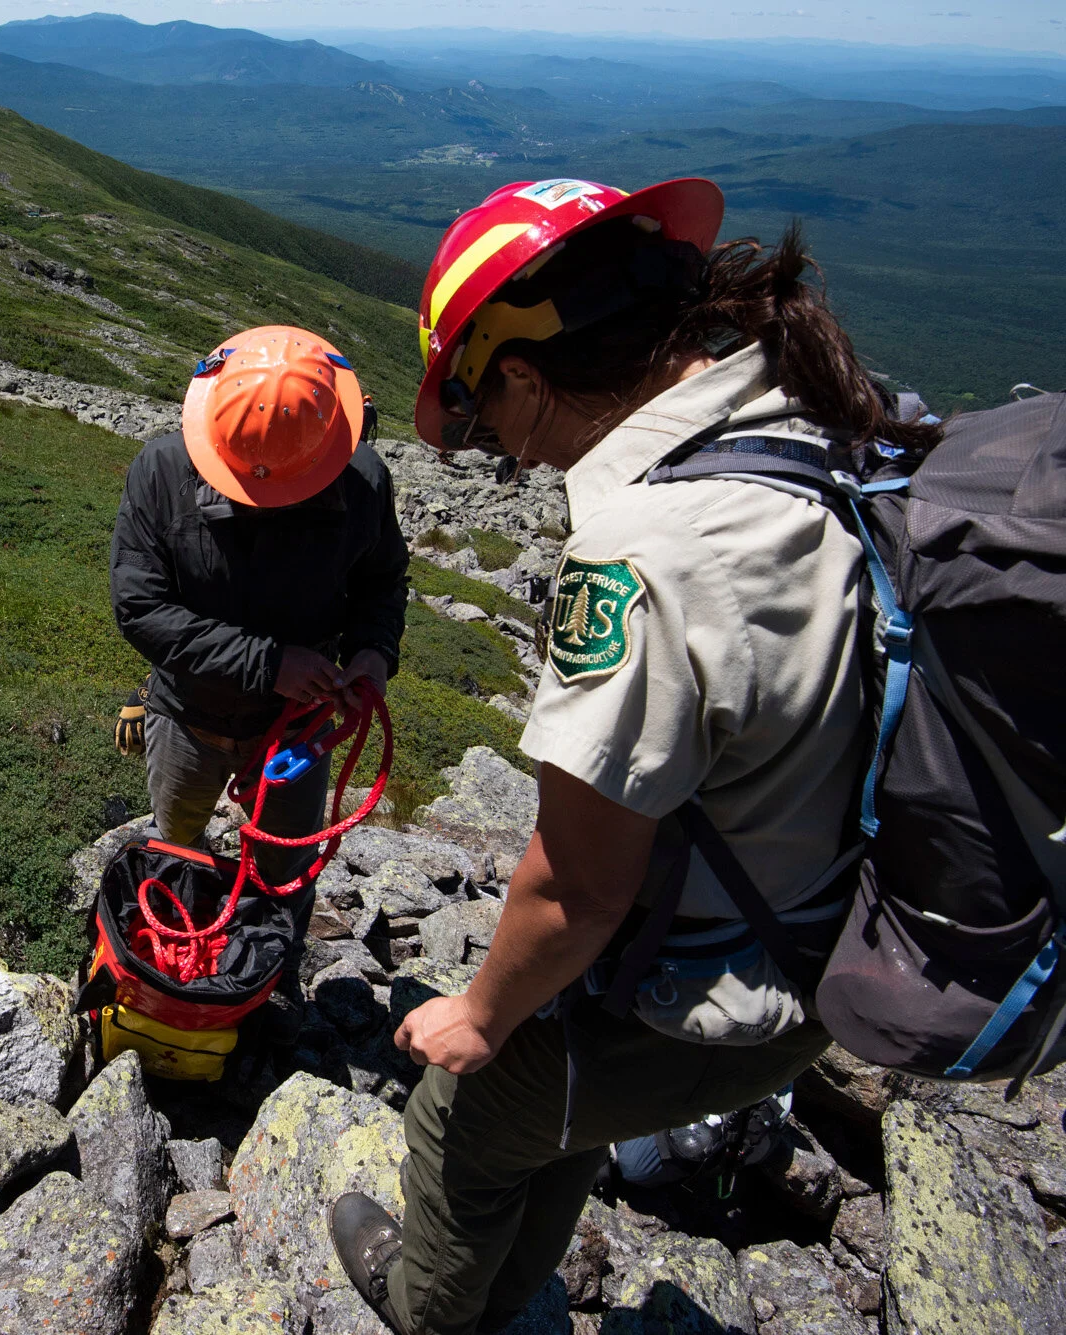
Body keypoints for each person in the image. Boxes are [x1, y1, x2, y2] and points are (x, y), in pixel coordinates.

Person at [325, 176, 940, 1335]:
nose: (494, 448)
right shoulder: (810, 421)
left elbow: (576, 886)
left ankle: (427, 1310)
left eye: (480, 409)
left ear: (521, 371)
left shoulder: (643, 550)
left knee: (457, 1114)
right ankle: (505, 1291)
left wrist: (478, 1016)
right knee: (548, 1115)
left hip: (710, 999)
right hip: (832, 934)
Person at [109, 325, 408, 886]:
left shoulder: (366, 481)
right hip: (186, 713)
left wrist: (373, 651)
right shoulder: (161, 473)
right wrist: (270, 664)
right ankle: (186, 932)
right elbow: (141, 607)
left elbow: (382, 580)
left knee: (284, 865)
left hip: (297, 728)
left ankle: (271, 949)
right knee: (179, 845)